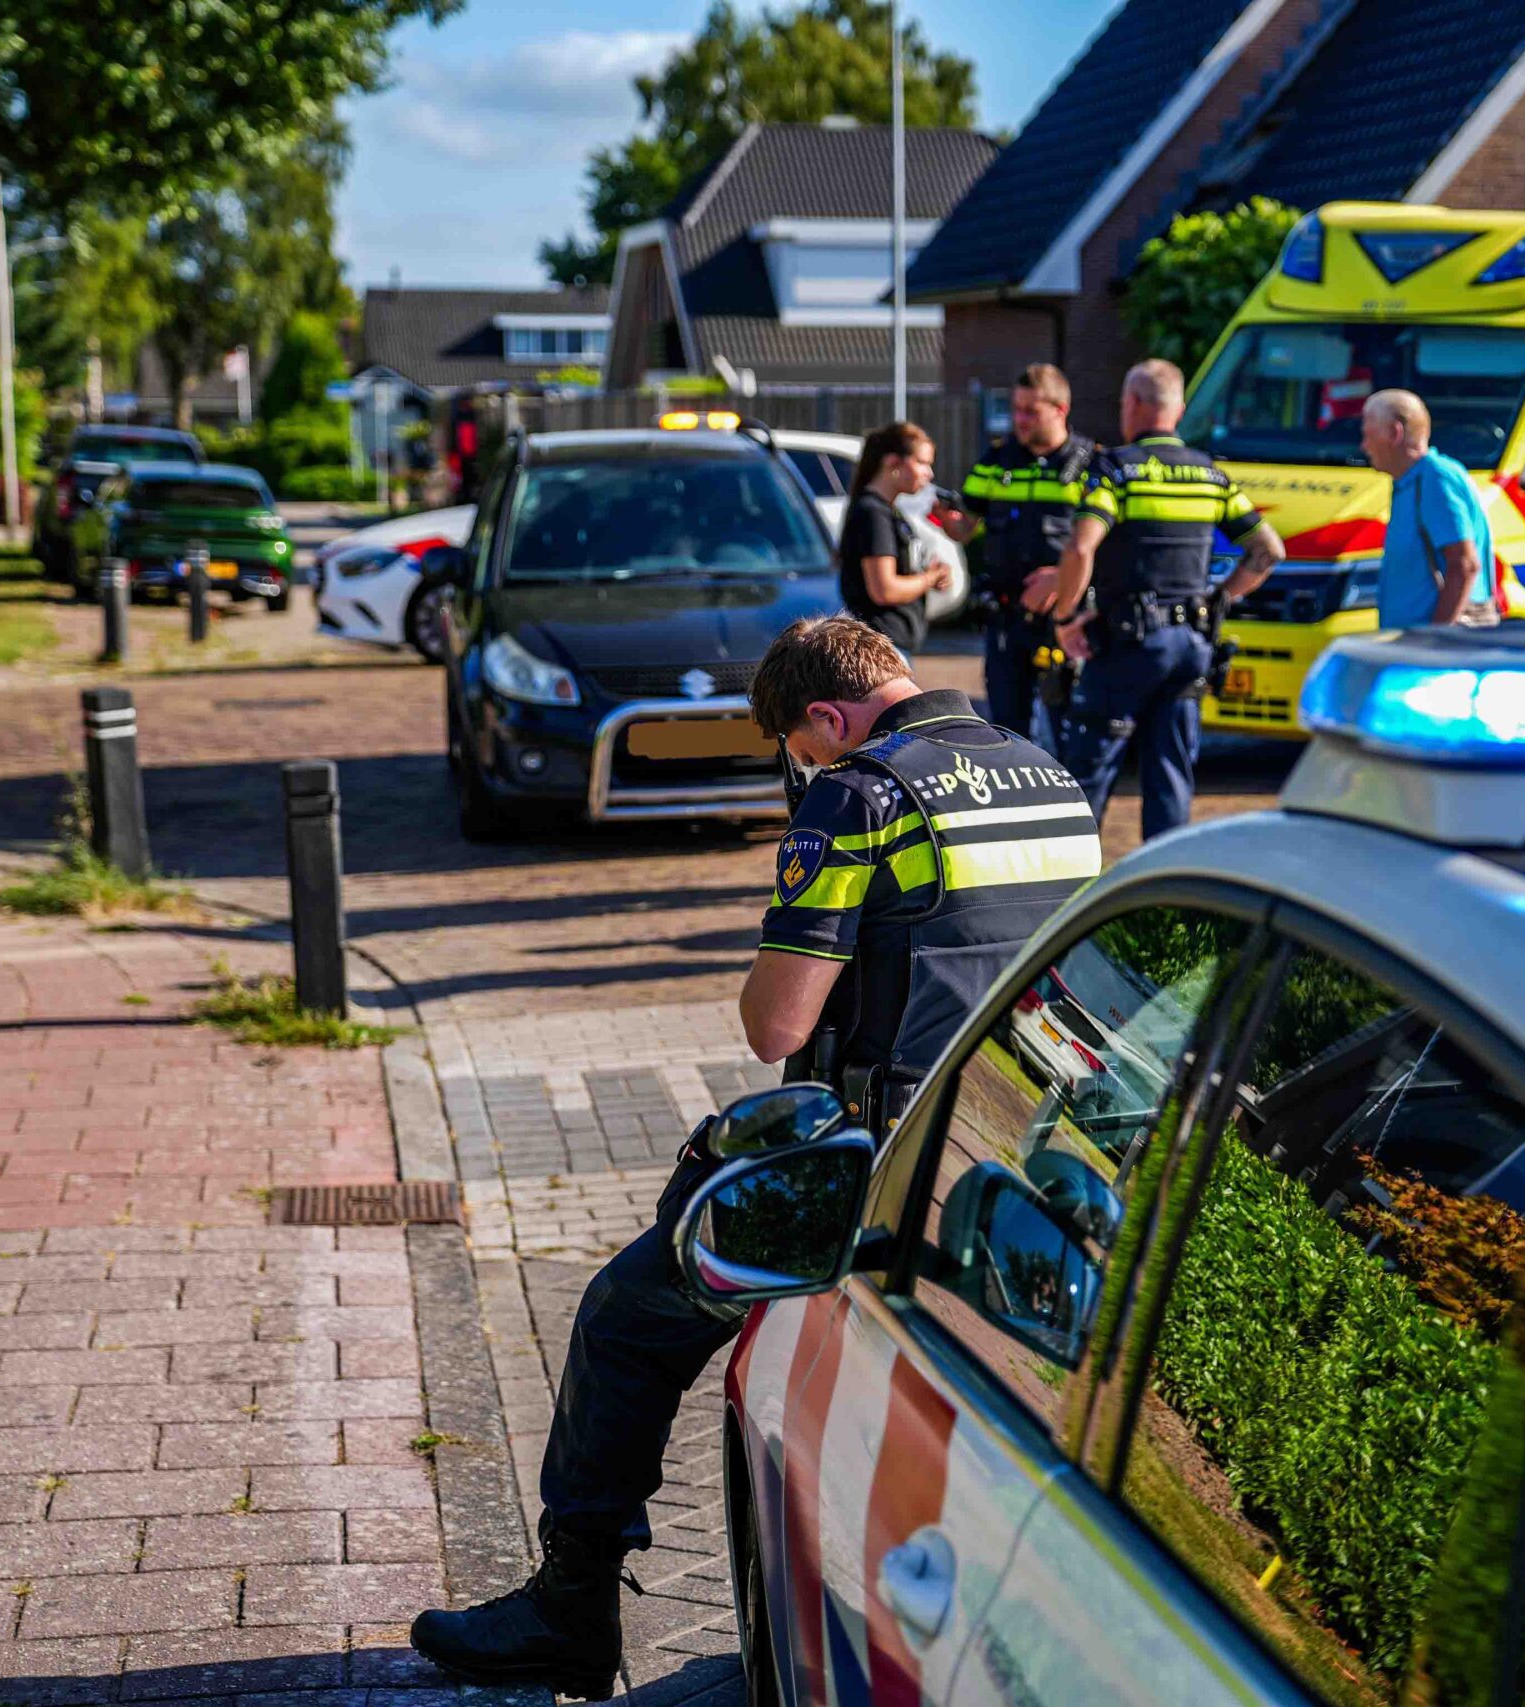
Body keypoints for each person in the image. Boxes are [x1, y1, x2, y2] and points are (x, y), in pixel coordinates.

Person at [410, 615, 1099, 1700]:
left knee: (626, 1314)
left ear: (827, 714)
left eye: (803, 750)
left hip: (880, 1170)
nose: (805, 770)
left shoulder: (862, 795)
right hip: (1020, 1150)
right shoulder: (1047, 774)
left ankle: (570, 1609)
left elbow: (777, 1026)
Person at [1028, 358, 1284, 841]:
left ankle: (1067, 900)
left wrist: (1064, 618)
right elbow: (1268, 549)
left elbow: (1082, 545)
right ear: (1180, 409)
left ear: (1133, 404)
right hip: (1191, 647)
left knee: (1088, 775)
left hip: (1129, 646)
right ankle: (1165, 910)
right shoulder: (1211, 475)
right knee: (1170, 780)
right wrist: (1216, 599)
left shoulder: (1115, 471)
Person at [941, 363, 1101, 738]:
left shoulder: (1091, 465)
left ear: (1060, 410)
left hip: (1066, 618)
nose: (1019, 419)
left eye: (1031, 411)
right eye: (1016, 409)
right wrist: (947, 522)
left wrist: (1059, 579)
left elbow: (1106, 544)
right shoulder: (996, 461)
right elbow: (967, 525)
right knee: (1006, 730)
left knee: (1071, 727)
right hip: (1006, 618)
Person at [1362, 388, 1497, 628]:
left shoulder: (1435, 477)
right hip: (1417, 645)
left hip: (1438, 651)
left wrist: (1435, 637)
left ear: (1395, 433)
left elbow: (1464, 565)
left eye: (1368, 434)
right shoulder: (1410, 481)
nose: (1364, 446)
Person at [836, 421, 950, 656]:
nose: (929, 474)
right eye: (922, 463)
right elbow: (884, 589)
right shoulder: (872, 513)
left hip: (894, 643)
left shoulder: (888, 510)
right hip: (883, 644)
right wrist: (929, 578)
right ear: (892, 462)